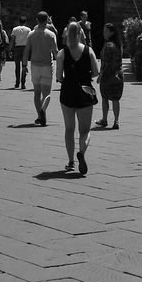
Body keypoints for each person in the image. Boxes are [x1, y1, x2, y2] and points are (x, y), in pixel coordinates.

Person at [56, 20, 99, 174]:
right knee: (85, 130)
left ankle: (70, 161)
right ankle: (81, 152)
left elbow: (59, 76)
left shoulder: (62, 53)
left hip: (67, 91)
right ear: (81, 33)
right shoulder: (89, 51)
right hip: (85, 91)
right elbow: (95, 72)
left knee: (69, 129)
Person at [23, 11, 57, 125]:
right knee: (46, 94)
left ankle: (39, 115)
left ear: (37, 20)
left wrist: (24, 65)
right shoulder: (51, 35)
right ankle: (43, 110)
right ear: (47, 20)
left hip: (34, 66)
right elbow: (55, 52)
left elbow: (26, 51)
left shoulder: (31, 34)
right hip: (47, 66)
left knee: (37, 93)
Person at [96, 22, 124, 129]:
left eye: (106, 31)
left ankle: (104, 119)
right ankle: (116, 121)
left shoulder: (108, 46)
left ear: (111, 33)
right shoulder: (119, 45)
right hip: (119, 74)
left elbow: (105, 63)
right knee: (116, 98)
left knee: (105, 97)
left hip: (108, 74)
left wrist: (100, 75)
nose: (104, 33)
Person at [10, 16, 32, 88]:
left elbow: (13, 39)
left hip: (17, 48)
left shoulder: (15, 29)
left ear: (19, 21)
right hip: (25, 48)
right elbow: (30, 40)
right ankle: (23, 83)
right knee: (24, 66)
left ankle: (17, 82)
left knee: (17, 66)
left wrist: (10, 49)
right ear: (25, 22)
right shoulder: (28, 30)